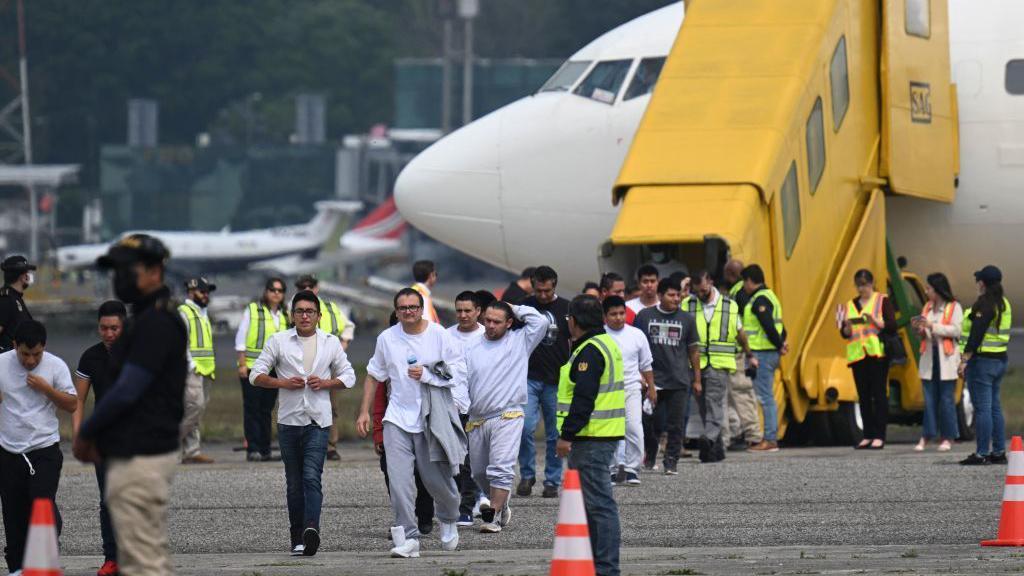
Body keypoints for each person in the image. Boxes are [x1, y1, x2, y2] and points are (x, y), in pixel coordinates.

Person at [74, 233, 186, 576]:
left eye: (127, 270)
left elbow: (128, 389)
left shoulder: (156, 321)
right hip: (132, 450)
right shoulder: (144, 318)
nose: (119, 280)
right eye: (116, 272)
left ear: (155, 271)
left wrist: (86, 433)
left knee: (142, 563)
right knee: (138, 558)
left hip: (142, 453)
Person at [356, 288, 466, 558]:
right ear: (396, 311)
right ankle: (409, 537)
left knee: (435, 478)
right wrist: (364, 413)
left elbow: (458, 370)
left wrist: (428, 373)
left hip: (431, 417)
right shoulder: (387, 338)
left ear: (421, 308)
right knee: (399, 481)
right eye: (402, 308)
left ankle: (450, 517)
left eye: (413, 307)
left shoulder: (439, 335)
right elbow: (374, 375)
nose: (408, 312)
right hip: (397, 418)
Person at [250, 289, 356, 556]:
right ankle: (296, 536)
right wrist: (282, 382)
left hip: (318, 421)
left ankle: (311, 529)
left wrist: (328, 382)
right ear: (292, 315)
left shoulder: (330, 342)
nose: (305, 316)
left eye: (310, 311)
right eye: (300, 311)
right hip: (288, 420)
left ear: (319, 316)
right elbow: (255, 375)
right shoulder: (279, 341)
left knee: (311, 477)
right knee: (294, 482)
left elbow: (349, 376)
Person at [555, 295, 625, 576]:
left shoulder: (590, 350)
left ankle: (606, 569)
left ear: (575, 321)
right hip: (598, 436)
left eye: (569, 318)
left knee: (599, 506)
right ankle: (600, 566)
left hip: (592, 437)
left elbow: (584, 398)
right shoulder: (602, 344)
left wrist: (566, 435)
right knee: (595, 505)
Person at [0, 320, 77, 575]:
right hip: (9, 451)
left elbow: (72, 404)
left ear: (44, 347)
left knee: (41, 501)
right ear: (14, 346)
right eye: (25, 354)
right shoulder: (2, 363)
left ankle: (48, 543)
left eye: (36, 354)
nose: (31, 361)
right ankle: (17, 568)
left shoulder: (55, 365)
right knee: (13, 513)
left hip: (44, 448)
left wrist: (47, 389)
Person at [464, 300, 546, 533]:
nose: (490, 325)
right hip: (477, 418)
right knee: (479, 472)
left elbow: (539, 321)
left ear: (509, 323)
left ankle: (494, 516)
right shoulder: (472, 346)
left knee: (500, 468)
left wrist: (514, 306)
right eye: (487, 320)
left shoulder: (520, 341)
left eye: (497, 322)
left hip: (508, 414)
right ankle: (502, 502)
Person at [72, 300, 127, 576]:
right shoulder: (90, 357)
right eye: (104, 328)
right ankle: (111, 557)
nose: (109, 334)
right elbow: (78, 400)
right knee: (108, 500)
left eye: (114, 328)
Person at [372, 312, 437, 537]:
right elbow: (379, 400)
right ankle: (403, 522)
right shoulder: (386, 362)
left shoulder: (430, 355)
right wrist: (379, 434)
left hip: (425, 426)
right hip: (395, 425)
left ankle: (425, 515)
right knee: (395, 478)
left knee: (424, 475)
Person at [684, 270, 756, 463]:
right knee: (703, 407)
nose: (701, 294)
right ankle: (716, 449)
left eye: (704, 290)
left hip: (719, 364)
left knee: (714, 403)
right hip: (695, 365)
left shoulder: (729, 306)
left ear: (711, 282)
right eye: (697, 291)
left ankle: (708, 438)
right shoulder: (687, 304)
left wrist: (749, 354)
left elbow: (740, 333)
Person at [633, 278, 701, 474]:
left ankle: (671, 461)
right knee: (649, 421)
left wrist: (696, 379)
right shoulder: (644, 316)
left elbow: (693, 351)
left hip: (679, 380)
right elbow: (636, 346)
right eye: (671, 295)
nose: (676, 298)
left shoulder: (687, 319)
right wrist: (640, 375)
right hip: (652, 380)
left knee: (676, 424)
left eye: (678, 295)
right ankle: (651, 450)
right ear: (660, 296)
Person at [517, 265, 570, 499]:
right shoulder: (525, 307)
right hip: (528, 378)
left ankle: (552, 480)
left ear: (554, 287)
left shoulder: (566, 308)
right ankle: (527, 474)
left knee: (554, 433)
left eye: (548, 291)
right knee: (524, 428)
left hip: (557, 380)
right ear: (533, 286)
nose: (544, 295)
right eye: (539, 291)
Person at [295, 274, 356, 462]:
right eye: (302, 286)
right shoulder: (292, 309)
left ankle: (330, 446)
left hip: (328, 365)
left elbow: (348, 326)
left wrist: (343, 345)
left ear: (317, 287)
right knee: (298, 406)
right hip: (300, 363)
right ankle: (301, 445)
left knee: (331, 406)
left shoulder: (330, 308)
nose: (306, 289)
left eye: (310, 286)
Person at [837, 269, 896, 450]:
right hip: (858, 354)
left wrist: (875, 321)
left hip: (877, 354)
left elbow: (892, 326)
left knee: (879, 395)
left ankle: (879, 435)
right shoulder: (850, 304)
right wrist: (846, 327)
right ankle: (868, 435)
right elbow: (845, 334)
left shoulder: (881, 300)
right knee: (863, 396)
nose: (862, 289)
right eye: (859, 285)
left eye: (865, 284)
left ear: (872, 283)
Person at [958, 265, 1011, 465]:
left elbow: (976, 334)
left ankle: (981, 453)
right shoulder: (1003, 303)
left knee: (983, 409)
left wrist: (964, 360)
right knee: (994, 408)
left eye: (978, 280)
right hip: (1000, 361)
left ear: (982, 283)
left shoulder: (985, 304)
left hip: (983, 364)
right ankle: (998, 452)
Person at [235, 277, 290, 462]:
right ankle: (253, 448)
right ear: (266, 292)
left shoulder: (284, 315)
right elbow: (241, 338)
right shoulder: (253, 310)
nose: (276, 293)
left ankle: (265, 449)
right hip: (252, 367)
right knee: (252, 408)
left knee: (267, 409)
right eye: (273, 290)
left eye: (280, 290)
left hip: (273, 370)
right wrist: (242, 364)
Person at [603, 296, 654, 486]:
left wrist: (651, 388)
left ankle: (632, 469)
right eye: (613, 314)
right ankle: (613, 470)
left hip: (632, 388)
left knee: (634, 428)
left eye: (621, 313)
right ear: (605, 316)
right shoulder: (599, 335)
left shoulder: (637, 334)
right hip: (606, 391)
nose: (618, 317)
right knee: (610, 432)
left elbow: (646, 364)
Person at [911, 273, 962, 453]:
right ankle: (927, 435)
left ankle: (947, 437)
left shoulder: (954, 307)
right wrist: (920, 329)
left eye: (928, 288)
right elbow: (926, 333)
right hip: (929, 358)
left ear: (938, 289)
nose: (926, 291)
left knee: (946, 400)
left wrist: (933, 326)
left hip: (946, 359)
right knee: (929, 399)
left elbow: (957, 330)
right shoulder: (927, 308)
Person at [448, 291, 486, 526]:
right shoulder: (445, 336)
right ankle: (458, 503)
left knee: (472, 461)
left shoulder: (486, 335)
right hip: (452, 407)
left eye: (467, 311)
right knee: (454, 461)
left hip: (479, 408)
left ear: (478, 311)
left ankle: (467, 507)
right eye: (459, 311)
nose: (463, 315)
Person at [741, 265, 788, 452]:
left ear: (750, 281)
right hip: (769, 352)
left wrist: (778, 345)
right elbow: (780, 327)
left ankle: (770, 439)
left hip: (763, 352)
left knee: (765, 396)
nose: (744, 286)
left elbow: (768, 325)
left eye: (744, 282)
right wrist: (782, 343)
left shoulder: (759, 299)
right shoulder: (770, 296)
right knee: (765, 396)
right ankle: (769, 437)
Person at [719, 260, 763, 451]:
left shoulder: (737, 294)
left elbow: (739, 328)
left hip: (735, 352)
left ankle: (751, 435)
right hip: (736, 352)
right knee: (734, 394)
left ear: (730, 274)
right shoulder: (740, 293)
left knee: (738, 393)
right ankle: (743, 433)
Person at [178, 277, 217, 464]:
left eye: (208, 292)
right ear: (191, 292)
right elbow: (181, 343)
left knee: (196, 411)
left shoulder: (202, 312)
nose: (206, 295)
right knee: (195, 407)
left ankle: (192, 450)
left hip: (207, 369)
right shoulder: (184, 312)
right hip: (191, 369)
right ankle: (166, 445)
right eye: (203, 292)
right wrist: (191, 364)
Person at [0, 255, 36, 353]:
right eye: (27, 273)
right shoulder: (5, 299)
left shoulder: (16, 298)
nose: (29, 276)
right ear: (23, 277)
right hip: (8, 362)